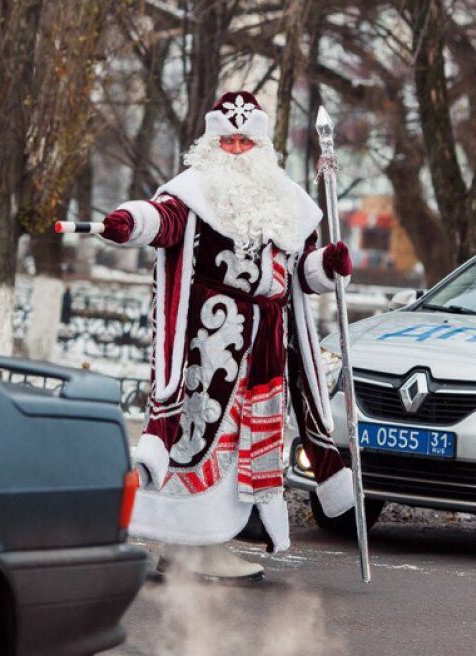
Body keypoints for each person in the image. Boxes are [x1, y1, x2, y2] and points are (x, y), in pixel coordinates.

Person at [97, 90, 354, 582]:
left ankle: (210, 543)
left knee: (246, 450)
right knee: (203, 442)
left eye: (245, 142)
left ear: (262, 147)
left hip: (266, 350)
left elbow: (299, 273)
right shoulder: (193, 191)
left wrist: (329, 265)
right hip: (209, 345)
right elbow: (162, 220)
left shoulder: (285, 198)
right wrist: (131, 222)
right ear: (212, 144)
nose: (237, 151)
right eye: (228, 141)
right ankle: (188, 549)